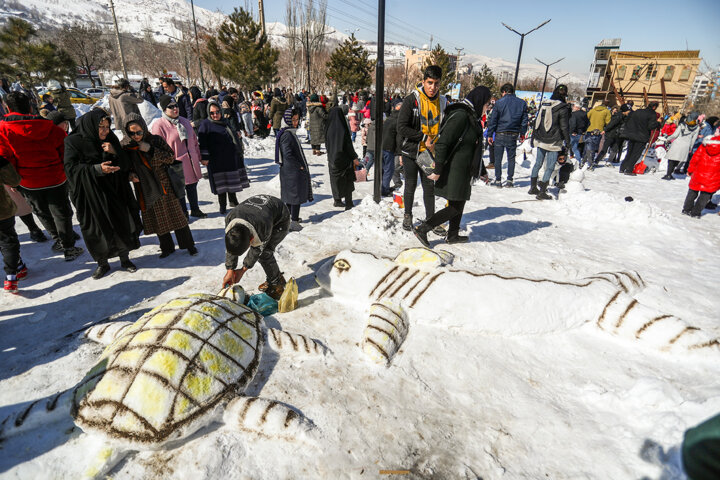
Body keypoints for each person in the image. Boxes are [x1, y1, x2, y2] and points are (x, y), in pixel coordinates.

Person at [0, 92, 83, 261]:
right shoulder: (49, 126)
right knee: (61, 211)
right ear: (30, 107)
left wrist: (13, 181)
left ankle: (58, 240)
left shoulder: (3, 129)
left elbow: (6, 157)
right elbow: (64, 150)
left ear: (7, 108)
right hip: (56, 177)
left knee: (42, 211)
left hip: (27, 179)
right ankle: (68, 247)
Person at [64, 109, 142, 279]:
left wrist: (115, 152)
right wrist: (97, 169)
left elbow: (126, 163)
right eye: (101, 127)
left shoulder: (110, 139)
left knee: (120, 224)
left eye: (107, 127)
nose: (105, 131)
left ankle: (124, 258)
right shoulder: (73, 141)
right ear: (90, 125)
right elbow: (70, 169)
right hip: (90, 195)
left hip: (114, 191)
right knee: (96, 229)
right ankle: (102, 263)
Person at [412, 86, 490, 246]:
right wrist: (438, 169)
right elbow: (443, 143)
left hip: (464, 169)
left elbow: (474, 147)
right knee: (454, 206)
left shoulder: (471, 117)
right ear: (480, 101)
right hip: (454, 169)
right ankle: (423, 229)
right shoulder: (461, 115)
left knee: (459, 202)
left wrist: (481, 169)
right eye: (487, 104)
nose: (488, 107)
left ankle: (453, 234)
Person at [122, 113, 198, 258]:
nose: (136, 136)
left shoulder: (155, 140)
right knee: (157, 218)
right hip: (144, 187)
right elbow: (124, 166)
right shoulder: (125, 146)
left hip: (164, 183)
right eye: (132, 133)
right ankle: (167, 247)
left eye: (139, 132)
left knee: (176, 216)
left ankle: (189, 245)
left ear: (144, 128)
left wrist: (150, 149)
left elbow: (170, 158)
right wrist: (130, 175)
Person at [397, 65, 448, 231]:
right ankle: (408, 215)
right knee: (410, 185)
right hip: (411, 151)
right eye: (430, 83)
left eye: (436, 83)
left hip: (429, 154)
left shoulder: (443, 101)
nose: (433, 87)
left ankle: (431, 220)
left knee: (429, 188)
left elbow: (445, 126)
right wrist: (423, 137)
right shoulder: (412, 99)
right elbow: (401, 127)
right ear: (424, 81)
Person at [222, 194, 290, 300]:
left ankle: (277, 283)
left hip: (280, 216)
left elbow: (257, 250)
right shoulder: (230, 219)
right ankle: (273, 277)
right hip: (259, 211)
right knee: (240, 246)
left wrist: (243, 270)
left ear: (251, 239)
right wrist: (230, 270)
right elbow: (232, 244)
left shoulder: (263, 227)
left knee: (265, 253)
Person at [152, 95, 206, 218]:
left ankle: (195, 209)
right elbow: (157, 148)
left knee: (192, 186)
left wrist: (198, 156)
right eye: (171, 107)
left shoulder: (185, 121)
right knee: (179, 190)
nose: (175, 108)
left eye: (176, 105)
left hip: (190, 161)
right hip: (174, 164)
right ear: (164, 109)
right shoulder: (159, 125)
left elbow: (194, 140)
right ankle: (183, 213)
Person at [197, 101, 249, 214]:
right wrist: (204, 157)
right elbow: (203, 142)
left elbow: (232, 134)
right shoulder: (205, 124)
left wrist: (236, 136)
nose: (215, 115)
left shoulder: (225, 122)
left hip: (230, 156)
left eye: (217, 112)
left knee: (231, 180)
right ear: (208, 113)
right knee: (221, 183)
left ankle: (233, 201)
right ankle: (222, 205)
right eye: (212, 113)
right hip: (216, 159)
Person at [528, 85, 571, 200]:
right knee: (550, 166)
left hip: (541, 138)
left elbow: (536, 121)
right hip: (554, 141)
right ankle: (542, 192)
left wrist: (533, 137)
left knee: (538, 163)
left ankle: (532, 187)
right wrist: (568, 141)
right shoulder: (563, 108)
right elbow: (564, 127)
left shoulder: (545, 104)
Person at [276, 108, 313, 232]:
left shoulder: (288, 132)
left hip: (289, 170)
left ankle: (290, 218)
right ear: (287, 120)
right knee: (295, 195)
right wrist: (299, 165)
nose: (296, 122)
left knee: (290, 196)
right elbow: (287, 154)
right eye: (293, 120)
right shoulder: (287, 134)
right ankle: (294, 221)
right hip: (291, 170)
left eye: (297, 120)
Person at [485, 82, 528, 188]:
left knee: (498, 158)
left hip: (500, 133)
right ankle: (509, 180)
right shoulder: (522, 103)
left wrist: (490, 134)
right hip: (513, 134)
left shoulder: (499, 103)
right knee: (511, 158)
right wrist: (522, 133)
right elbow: (524, 121)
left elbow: (493, 120)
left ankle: (498, 180)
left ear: (504, 92)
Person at [325, 106, 360, 209]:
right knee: (348, 180)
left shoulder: (328, 127)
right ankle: (348, 202)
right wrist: (354, 156)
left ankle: (337, 200)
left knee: (335, 180)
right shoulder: (342, 128)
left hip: (332, 158)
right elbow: (348, 145)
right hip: (344, 159)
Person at [0, 155, 26, 293]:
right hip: (2, 211)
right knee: (8, 242)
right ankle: (11, 278)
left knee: (4, 241)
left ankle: (19, 266)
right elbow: (14, 181)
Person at [682, 132, 720, 218]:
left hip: (699, 173)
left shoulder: (705, 144)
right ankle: (696, 213)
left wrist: (690, 170)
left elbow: (696, 158)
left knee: (692, 191)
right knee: (705, 196)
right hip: (714, 177)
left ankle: (686, 209)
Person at [619, 101, 660, 175]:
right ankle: (629, 169)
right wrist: (658, 123)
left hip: (632, 134)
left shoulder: (638, 111)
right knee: (636, 154)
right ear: (654, 107)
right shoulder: (652, 114)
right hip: (642, 136)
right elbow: (650, 126)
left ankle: (623, 167)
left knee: (629, 152)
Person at [662, 113, 700, 180]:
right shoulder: (697, 127)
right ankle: (670, 174)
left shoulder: (682, 124)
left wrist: (667, 139)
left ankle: (668, 174)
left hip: (677, 144)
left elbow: (675, 135)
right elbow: (693, 139)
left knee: (671, 159)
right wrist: (690, 148)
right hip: (686, 145)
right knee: (677, 160)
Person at [381, 97, 403, 196]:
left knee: (383, 169)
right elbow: (399, 138)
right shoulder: (399, 120)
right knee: (389, 170)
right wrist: (399, 153)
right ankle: (384, 190)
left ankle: (382, 187)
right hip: (389, 147)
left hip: (381, 146)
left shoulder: (389, 118)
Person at [583, 100, 612, 168]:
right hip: (598, 131)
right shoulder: (606, 111)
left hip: (590, 130)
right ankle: (590, 163)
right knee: (593, 148)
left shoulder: (593, 110)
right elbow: (608, 122)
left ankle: (583, 162)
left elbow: (586, 118)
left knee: (587, 146)